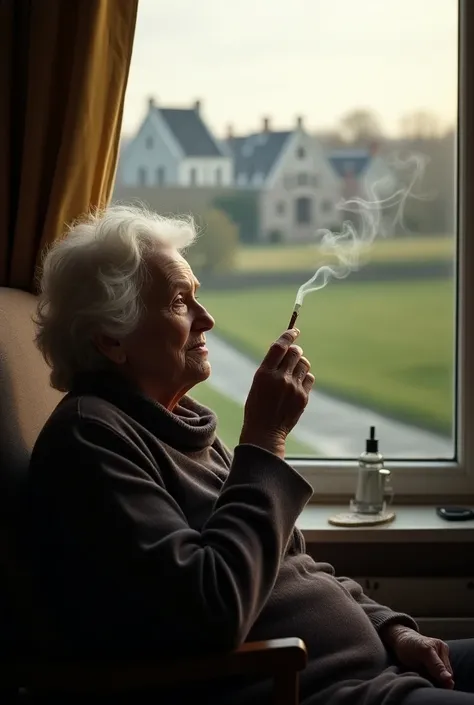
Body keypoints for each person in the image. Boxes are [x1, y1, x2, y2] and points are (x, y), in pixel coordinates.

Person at [27, 205, 473, 705]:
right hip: (320, 689)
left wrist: (392, 630)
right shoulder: (92, 441)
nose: (207, 319)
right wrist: (264, 440)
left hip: (381, 664)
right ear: (112, 338)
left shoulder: (180, 423)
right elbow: (211, 612)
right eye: (180, 302)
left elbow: (293, 564)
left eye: (198, 297)